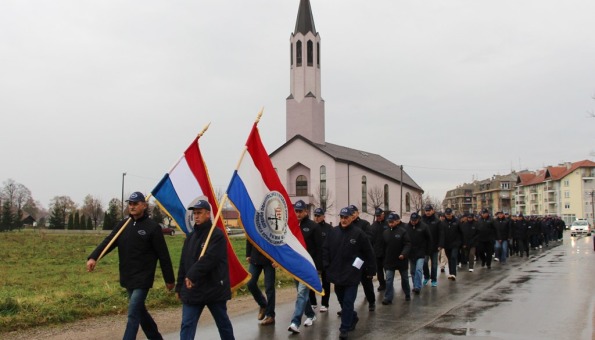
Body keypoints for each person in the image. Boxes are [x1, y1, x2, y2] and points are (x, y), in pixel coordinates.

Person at [86, 191, 175, 340]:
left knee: (133, 314)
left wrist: (169, 279)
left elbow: (163, 255)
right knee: (140, 312)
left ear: (144, 206)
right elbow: (109, 241)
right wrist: (93, 257)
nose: (132, 207)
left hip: (143, 278)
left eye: (136, 204)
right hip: (128, 276)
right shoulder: (123, 225)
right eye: (130, 204)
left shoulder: (152, 228)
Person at [176, 200, 234, 340]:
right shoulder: (190, 238)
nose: (196, 216)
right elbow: (183, 263)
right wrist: (179, 287)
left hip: (214, 288)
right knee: (187, 325)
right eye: (194, 213)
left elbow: (209, 259)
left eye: (199, 213)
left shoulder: (216, 235)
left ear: (208, 214)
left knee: (223, 323)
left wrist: (192, 275)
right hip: (193, 290)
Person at [323, 207, 376, 339]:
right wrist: (326, 265)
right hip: (336, 273)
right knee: (342, 300)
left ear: (352, 218)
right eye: (342, 217)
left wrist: (370, 269)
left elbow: (368, 253)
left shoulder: (359, 234)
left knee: (348, 302)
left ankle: (344, 328)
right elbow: (325, 249)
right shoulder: (333, 232)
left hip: (352, 274)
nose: (344, 220)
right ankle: (352, 317)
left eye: (346, 217)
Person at [287, 200, 322, 334]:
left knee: (302, 293)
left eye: (301, 211)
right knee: (302, 293)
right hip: (296, 265)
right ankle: (311, 314)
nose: (298, 213)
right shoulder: (292, 226)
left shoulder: (314, 227)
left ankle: (295, 322)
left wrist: (318, 267)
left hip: (308, 266)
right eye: (296, 211)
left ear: (306, 211)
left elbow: (320, 248)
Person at [349, 204, 376, 311]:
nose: (351, 215)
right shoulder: (346, 224)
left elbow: (369, 239)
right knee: (350, 284)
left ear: (357, 213)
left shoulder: (364, 224)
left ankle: (371, 302)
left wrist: (356, 241)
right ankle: (347, 306)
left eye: (353, 213)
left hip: (361, 259)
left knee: (366, 282)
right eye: (349, 214)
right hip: (350, 259)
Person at [380, 212, 411, 304]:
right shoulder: (385, 232)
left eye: (392, 222)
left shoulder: (403, 232)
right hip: (389, 260)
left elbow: (407, 244)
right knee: (389, 279)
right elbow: (383, 246)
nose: (391, 223)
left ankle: (407, 293)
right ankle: (388, 297)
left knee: (404, 278)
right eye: (389, 222)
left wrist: (403, 254)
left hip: (401, 260)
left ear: (397, 221)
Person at [246, 238, 276, 325]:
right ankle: (263, 304)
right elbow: (249, 235)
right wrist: (248, 254)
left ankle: (270, 315)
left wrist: (277, 259)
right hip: (255, 258)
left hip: (270, 259)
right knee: (250, 283)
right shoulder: (254, 223)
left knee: (269, 287)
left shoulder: (274, 224)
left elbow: (277, 240)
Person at [406, 212, 432, 295]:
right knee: (413, 271)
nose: (413, 222)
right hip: (411, 253)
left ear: (418, 219)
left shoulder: (424, 227)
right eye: (412, 220)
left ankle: (418, 286)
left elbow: (429, 239)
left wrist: (427, 251)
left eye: (415, 220)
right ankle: (415, 285)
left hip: (421, 252)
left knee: (418, 269)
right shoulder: (406, 227)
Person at [313, 207, 333, 313]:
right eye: (315, 215)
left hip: (325, 259)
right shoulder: (311, 227)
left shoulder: (329, 228)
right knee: (311, 282)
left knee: (326, 283)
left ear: (323, 217)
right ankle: (313, 302)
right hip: (313, 260)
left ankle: (325, 303)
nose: (316, 218)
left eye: (318, 216)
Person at [439, 208, 462, 280]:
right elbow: (441, 234)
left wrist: (461, 242)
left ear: (452, 214)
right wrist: (441, 245)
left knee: (453, 257)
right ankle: (451, 273)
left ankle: (454, 273)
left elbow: (461, 232)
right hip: (447, 244)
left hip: (455, 243)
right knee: (449, 258)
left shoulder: (457, 222)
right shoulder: (443, 223)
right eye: (447, 214)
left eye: (449, 214)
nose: (448, 216)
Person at [421, 204, 441, 287]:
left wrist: (440, 244)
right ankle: (426, 276)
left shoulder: (437, 221)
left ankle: (434, 279)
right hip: (425, 246)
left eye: (429, 210)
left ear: (432, 211)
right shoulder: (421, 220)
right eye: (426, 211)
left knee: (434, 264)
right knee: (424, 263)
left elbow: (440, 234)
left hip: (434, 246)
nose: (427, 212)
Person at [370, 208, 388, 292]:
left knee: (387, 270)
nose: (378, 217)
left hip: (387, 251)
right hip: (377, 252)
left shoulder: (388, 223)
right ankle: (382, 284)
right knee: (379, 270)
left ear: (383, 214)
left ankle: (389, 283)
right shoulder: (373, 226)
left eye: (380, 215)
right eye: (377, 216)